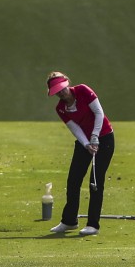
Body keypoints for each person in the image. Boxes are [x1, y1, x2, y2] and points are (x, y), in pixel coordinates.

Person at [45, 71, 115, 236]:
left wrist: (95, 137)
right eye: (57, 92)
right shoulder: (61, 108)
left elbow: (99, 113)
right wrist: (86, 143)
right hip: (85, 141)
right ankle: (69, 221)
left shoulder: (83, 90)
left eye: (62, 88)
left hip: (104, 138)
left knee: (95, 181)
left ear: (67, 83)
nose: (61, 93)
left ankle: (93, 225)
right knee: (73, 180)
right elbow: (75, 128)